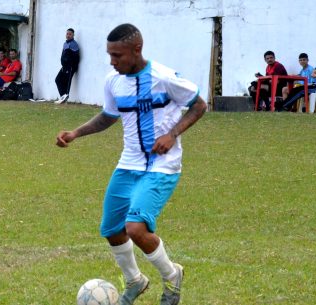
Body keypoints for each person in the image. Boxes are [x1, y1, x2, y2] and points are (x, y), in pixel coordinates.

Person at [56, 24, 207, 305]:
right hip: (128, 165)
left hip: (162, 166)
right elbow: (108, 116)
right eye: (110, 55)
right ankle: (135, 281)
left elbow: (199, 104)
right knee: (112, 230)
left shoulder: (163, 77)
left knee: (136, 228)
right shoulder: (113, 81)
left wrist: (172, 134)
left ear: (137, 49)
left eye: (117, 55)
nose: (112, 61)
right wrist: (76, 133)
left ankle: (172, 276)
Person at [56, 28, 80, 103]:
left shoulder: (74, 44)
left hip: (70, 67)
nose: (68, 35)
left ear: (73, 35)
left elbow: (76, 56)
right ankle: (63, 96)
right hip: (64, 66)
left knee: (67, 81)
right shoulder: (65, 43)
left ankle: (66, 95)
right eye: (67, 34)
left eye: (70, 34)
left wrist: (71, 66)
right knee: (58, 79)